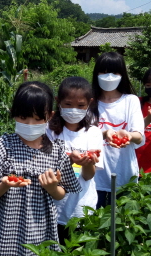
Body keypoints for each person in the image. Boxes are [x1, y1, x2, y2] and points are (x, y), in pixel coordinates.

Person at [0, 81, 81, 256]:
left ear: (49, 116)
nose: (30, 125)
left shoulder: (57, 150)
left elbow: (62, 193)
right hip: (7, 226)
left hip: (40, 225)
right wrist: (5, 184)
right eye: (23, 118)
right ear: (14, 113)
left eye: (37, 119)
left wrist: (52, 187)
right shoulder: (2, 145)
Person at [46, 76, 103, 243]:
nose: (74, 110)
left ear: (89, 104)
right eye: (68, 104)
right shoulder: (49, 131)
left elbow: (88, 176)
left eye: (80, 106)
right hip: (54, 209)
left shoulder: (93, 133)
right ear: (58, 102)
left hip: (82, 208)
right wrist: (69, 161)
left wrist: (88, 163)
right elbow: (45, 166)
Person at [92, 52, 145, 209]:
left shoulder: (130, 101)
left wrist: (128, 135)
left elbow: (139, 136)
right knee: (94, 223)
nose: (109, 77)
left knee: (123, 223)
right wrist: (103, 134)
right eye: (104, 72)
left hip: (124, 173)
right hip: (95, 176)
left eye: (114, 72)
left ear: (122, 74)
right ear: (96, 74)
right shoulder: (88, 102)